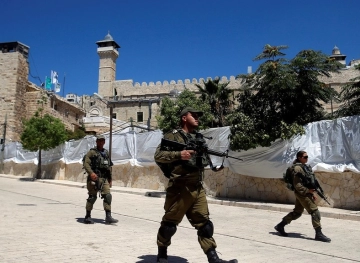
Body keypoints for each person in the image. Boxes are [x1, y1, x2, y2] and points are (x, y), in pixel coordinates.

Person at [154, 107, 238, 263]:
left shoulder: (199, 138)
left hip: (197, 187)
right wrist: (179, 154)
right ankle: (162, 254)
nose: (197, 118)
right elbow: (158, 156)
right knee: (169, 226)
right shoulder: (172, 136)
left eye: (198, 115)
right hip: (179, 188)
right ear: (184, 118)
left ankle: (214, 259)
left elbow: (203, 158)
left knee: (205, 225)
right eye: (194, 115)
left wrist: (214, 167)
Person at [274, 150, 331, 242]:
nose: (307, 158)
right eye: (305, 157)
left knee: (297, 212)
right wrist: (308, 191)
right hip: (302, 193)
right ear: (299, 158)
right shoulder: (297, 169)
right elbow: (298, 185)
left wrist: (311, 193)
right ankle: (318, 234)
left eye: (307, 157)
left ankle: (280, 226)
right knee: (314, 211)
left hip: (304, 193)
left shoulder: (305, 167)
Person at [83, 135, 118, 224]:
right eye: (99, 141)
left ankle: (108, 216)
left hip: (104, 178)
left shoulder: (106, 153)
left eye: (102, 141)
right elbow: (86, 163)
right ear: (96, 142)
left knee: (108, 196)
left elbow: (108, 166)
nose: (101, 142)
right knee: (92, 197)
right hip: (94, 178)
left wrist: (110, 178)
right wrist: (91, 173)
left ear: (104, 142)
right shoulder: (92, 152)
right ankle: (87, 216)